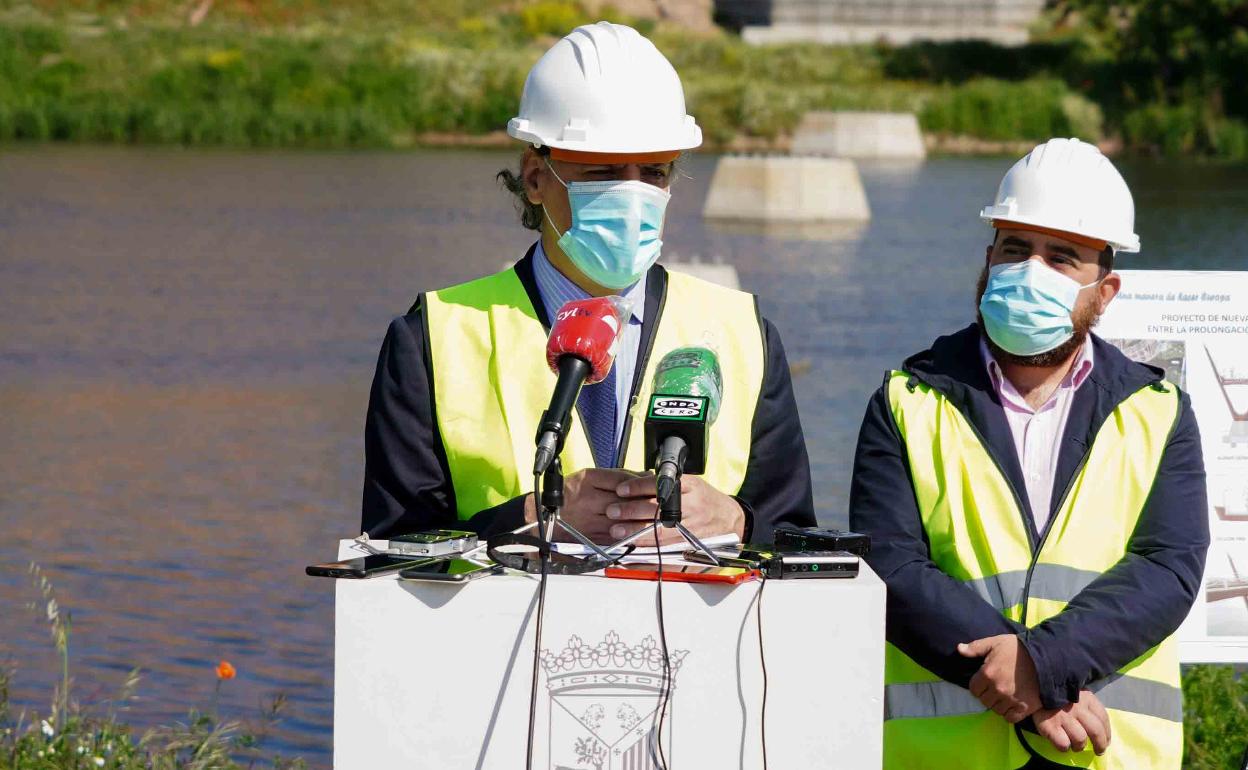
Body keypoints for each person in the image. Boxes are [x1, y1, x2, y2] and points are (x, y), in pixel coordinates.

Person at [360, 21, 814, 545]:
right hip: (507, 628)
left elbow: (796, 535)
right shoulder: (432, 339)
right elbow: (390, 551)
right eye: (601, 172)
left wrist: (740, 521)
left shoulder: (745, 334)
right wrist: (528, 518)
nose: (632, 195)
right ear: (534, 176)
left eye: (654, 174)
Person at [850, 138, 1208, 769]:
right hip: (948, 756)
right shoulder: (905, 399)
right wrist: (1033, 689)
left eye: (1061, 257)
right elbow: (893, 567)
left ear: (1105, 290)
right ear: (988, 259)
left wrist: (1044, 666)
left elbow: (1167, 570)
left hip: (1106, 755)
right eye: (1016, 249)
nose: (1029, 270)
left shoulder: (1160, 411)